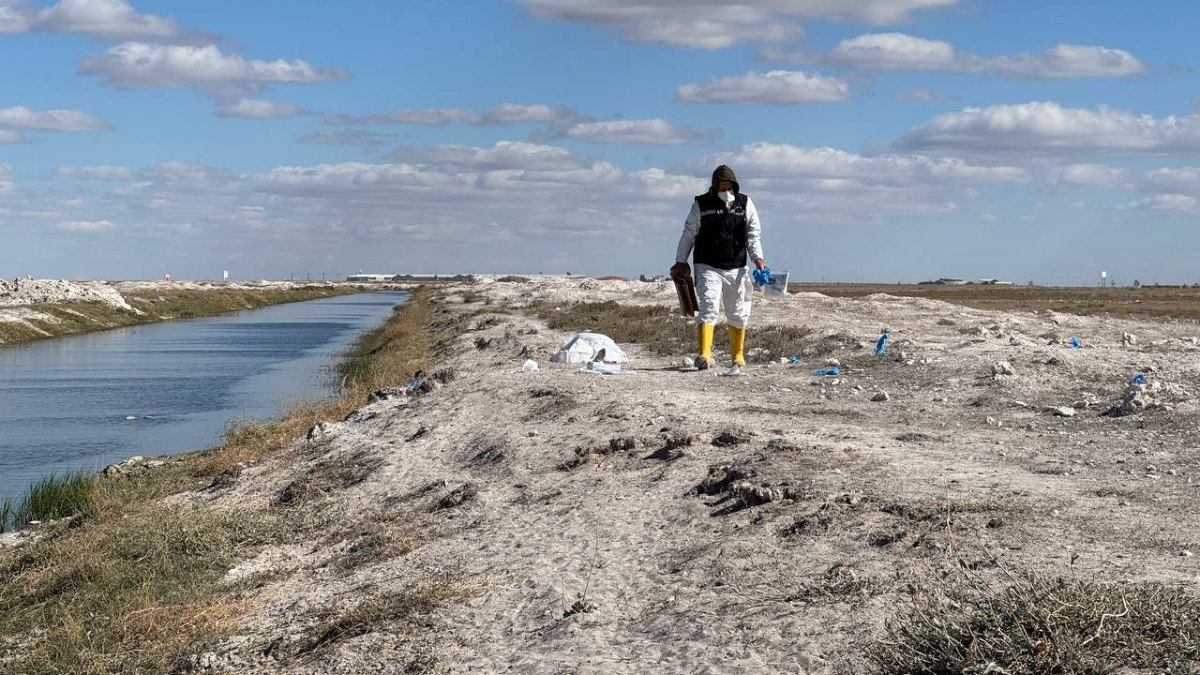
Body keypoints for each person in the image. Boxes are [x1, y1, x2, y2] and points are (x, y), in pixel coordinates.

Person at [671, 164, 767, 374]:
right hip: (707, 265)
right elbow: (689, 234)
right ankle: (704, 354)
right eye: (722, 186)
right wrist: (680, 261)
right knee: (708, 306)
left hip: (737, 266)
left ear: (735, 185)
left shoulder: (745, 203)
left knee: (738, 312)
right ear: (714, 186)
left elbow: (753, 235)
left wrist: (758, 259)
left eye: (729, 186)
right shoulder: (701, 204)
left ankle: (737, 355)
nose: (726, 190)